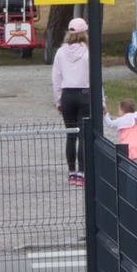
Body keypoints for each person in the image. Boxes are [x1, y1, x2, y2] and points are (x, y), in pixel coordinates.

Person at [51, 17, 92, 187]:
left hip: (67, 94)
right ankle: (82, 172)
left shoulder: (61, 52)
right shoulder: (89, 52)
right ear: (85, 33)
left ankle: (71, 172)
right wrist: (102, 101)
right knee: (83, 135)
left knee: (71, 134)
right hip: (84, 94)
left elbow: (56, 77)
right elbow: (94, 77)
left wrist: (58, 99)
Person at [103, 99, 137, 163]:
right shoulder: (136, 116)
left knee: (126, 164)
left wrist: (106, 114)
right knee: (135, 164)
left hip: (126, 146)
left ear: (122, 110)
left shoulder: (120, 120)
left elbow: (110, 123)